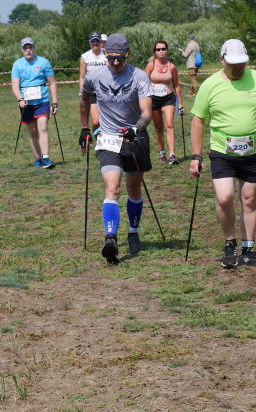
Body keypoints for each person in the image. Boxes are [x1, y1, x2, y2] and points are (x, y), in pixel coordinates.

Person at [188, 39, 256, 268]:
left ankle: (248, 249)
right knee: (225, 197)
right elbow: (198, 120)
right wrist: (196, 155)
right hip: (223, 151)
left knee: (249, 199)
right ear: (222, 60)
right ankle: (230, 242)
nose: (238, 67)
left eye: (242, 62)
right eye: (233, 63)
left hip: (253, 152)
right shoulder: (210, 85)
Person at [78, 34, 153, 264]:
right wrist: (85, 128)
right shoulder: (94, 75)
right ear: (104, 53)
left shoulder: (139, 76)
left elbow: (147, 113)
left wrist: (136, 129)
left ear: (128, 55)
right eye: (112, 58)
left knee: (133, 189)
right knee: (112, 186)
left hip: (133, 139)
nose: (117, 63)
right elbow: (85, 97)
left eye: (121, 58)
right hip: (109, 140)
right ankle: (110, 238)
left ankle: (132, 232)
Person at [11, 37, 58, 169]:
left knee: (42, 128)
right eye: (25, 48)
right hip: (26, 103)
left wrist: (55, 103)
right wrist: (20, 99)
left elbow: (52, 83)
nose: (28, 50)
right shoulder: (17, 64)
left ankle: (46, 158)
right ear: (22, 50)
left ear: (34, 48)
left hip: (42, 101)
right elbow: (15, 85)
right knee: (32, 132)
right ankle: (37, 158)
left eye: (30, 47)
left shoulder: (43, 62)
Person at [144, 39, 184, 165]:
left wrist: (180, 104)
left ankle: (172, 155)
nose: (161, 51)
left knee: (169, 124)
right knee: (158, 126)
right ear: (155, 51)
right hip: (154, 98)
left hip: (168, 98)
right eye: (158, 49)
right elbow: (144, 83)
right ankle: (162, 153)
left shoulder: (172, 66)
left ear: (166, 50)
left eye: (163, 49)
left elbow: (176, 85)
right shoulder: (151, 65)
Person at [79, 32, 107, 131]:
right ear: (89, 42)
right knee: (96, 122)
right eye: (93, 41)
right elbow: (82, 77)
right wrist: (82, 93)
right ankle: (99, 143)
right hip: (92, 93)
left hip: (106, 92)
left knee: (107, 122)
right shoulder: (85, 57)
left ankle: (105, 144)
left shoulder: (107, 54)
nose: (95, 43)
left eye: (97, 40)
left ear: (101, 41)